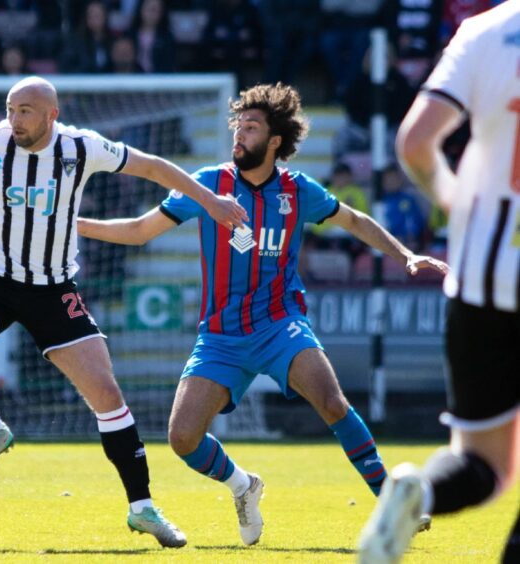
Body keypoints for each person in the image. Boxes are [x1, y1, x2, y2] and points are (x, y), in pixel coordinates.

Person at [0, 75, 247, 548]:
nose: (14, 119)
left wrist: (210, 200)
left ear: (51, 115)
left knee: (106, 393)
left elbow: (152, 167)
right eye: (10, 108)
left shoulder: (82, 148)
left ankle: (142, 508)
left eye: (25, 111)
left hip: (53, 289)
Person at [77, 82, 448, 546]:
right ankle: (243, 486)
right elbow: (137, 231)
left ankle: (393, 503)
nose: (240, 134)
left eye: (251, 127)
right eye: (238, 125)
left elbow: (354, 220)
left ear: (275, 140)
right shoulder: (209, 184)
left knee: (332, 403)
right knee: (182, 438)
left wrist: (405, 254)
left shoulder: (297, 190)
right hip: (220, 336)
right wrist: (72, 223)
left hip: (280, 324)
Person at [358, 3, 520, 563]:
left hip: (482, 276)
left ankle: (419, 491)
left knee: (483, 465)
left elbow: (414, 144)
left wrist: (453, 201)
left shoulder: (486, 30)